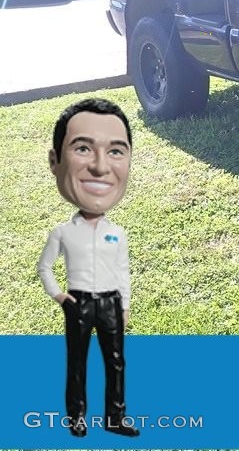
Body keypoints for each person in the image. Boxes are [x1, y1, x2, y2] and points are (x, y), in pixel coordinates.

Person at [37, 97, 141, 438]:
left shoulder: (116, 233)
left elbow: (122, 270)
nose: (99, 167)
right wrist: (59, 296)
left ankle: (115, 418)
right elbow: (46, 268)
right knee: (77, 362)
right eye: (82, 149)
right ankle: (77, 418)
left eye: (115, 151)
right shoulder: (63, 232)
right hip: (78, 302)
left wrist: (123, 304)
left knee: (116, 362)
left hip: (110, 302)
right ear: (56, 160)